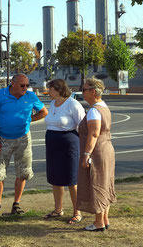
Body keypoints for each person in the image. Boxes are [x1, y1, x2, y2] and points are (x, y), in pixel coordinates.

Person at [0, 73, 48, 217]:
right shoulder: (0, 95)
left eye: (27, 85)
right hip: (3, 139)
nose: (25, 88)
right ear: (12, 84)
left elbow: (44, 112)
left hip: (23, 139)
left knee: (23, 172)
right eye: (22, 85)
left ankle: (16, 204)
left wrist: (28, 120)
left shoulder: (30, 96)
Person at [77, 77, 116, 232]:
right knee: (105, 184)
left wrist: (86, 154)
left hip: (97, 151)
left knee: (97, 184)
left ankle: (99, 222)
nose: (82, 92)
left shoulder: (94, 110)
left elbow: (93, 134)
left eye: (84, 89)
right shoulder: (103, 106)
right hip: (107, 149)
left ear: (93, 91)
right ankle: (104, 220)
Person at [43, 79, 85, 224]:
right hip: (52, 144)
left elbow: (83, 125)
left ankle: (77, 212)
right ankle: (58, 209)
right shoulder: (52, 103)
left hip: (68, 144)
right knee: (55, 178)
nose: (48, 92)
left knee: (71, 179)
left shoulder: (72, 104)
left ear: (58, 89)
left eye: (50, 89)